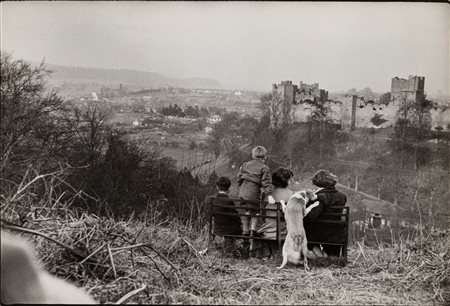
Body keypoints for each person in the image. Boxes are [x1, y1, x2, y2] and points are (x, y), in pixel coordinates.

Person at [303, 169, 347, 257]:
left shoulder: (318, 197)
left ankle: (320, 256)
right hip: (336, 233)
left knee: (306, 226)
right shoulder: (342, 196)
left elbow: (311, 217)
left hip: (319, 234)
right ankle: (329, 255)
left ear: (316, 182)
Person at [256, 167, 294, 259]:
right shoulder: (291, 194)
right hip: (283, 231)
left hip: (268, 230)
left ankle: (269, 254)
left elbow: (262, 213)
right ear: (287, 181)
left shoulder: (267, 194)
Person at [237, 146, 275, 236]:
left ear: (253, 155)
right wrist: (269, 195)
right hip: (253, 194)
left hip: (242, 193)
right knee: (255, 212)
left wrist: (241, 184)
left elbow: (239, 177)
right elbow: (267, 182)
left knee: (245, 211)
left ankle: (245, 230)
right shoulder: (264, 168)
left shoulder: (245, 165)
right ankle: (253, 230)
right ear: (265, 157)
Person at [211, 176, 242, 256]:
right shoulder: (229, 201)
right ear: (228, 188)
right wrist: (240, 222)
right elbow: (235, 217)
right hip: (229, 230)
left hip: (217, 228)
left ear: (217, 187)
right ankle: (235, 250)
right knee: (240, 228)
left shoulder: (213, 200)